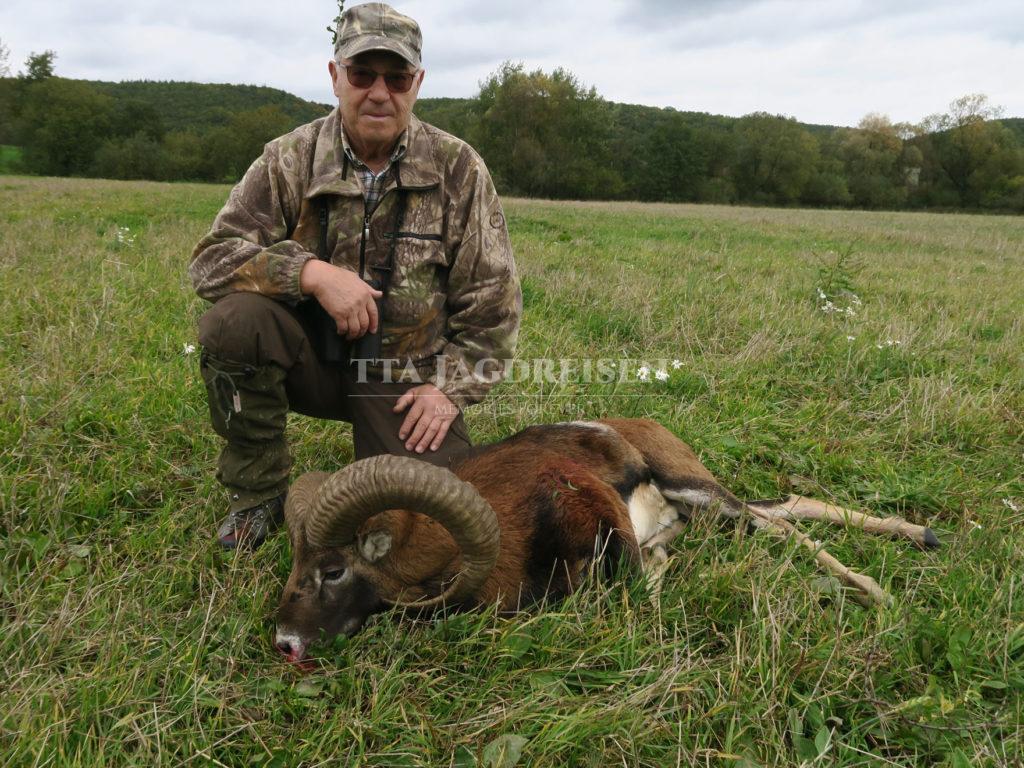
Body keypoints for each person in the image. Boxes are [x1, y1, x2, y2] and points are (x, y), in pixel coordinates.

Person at [189, 2, 521, 549]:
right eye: (363, 74)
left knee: (427, 529)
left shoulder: (459, 168)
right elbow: (211, 260)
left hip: (401, 381)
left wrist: (447, 391)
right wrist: (310, 273)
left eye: (397, 77)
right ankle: (258, 493)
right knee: (233, 323)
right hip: (307, 361)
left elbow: (493, 311)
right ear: (335, 76)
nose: (379, 92)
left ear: (418, 82)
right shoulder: (288, 158)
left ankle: (396, 446)